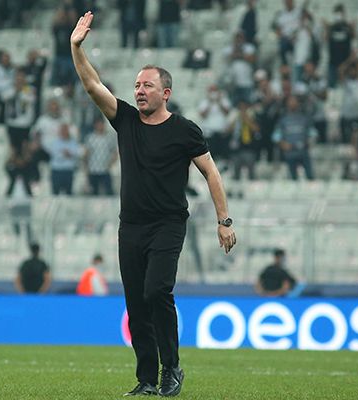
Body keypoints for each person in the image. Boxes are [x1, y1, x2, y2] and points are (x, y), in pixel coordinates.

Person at [71, 11, 236, 397]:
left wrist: (224, 220)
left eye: (147, 85)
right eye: (136, 85)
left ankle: (171, 368)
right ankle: (146, 379)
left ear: (166, 93)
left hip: (168, 224)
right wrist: (76, 48)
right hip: (130, 226)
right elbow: (92, 85)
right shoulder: (125, 120)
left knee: (156, 291)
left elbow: (211, 173)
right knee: (136, 305)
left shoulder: (185, 130)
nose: (139, 90)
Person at [273, 96, 316, 180]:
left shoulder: (304, 118)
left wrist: (309, 142)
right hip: (290, 154)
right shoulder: (283, 120)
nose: (292, 103)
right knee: (292, 180)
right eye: (290, 101)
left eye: (294, 101)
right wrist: (283, 144)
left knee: (310, 178)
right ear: (287, 104)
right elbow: (276, 136)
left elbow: (313, 133)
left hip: (303, 153)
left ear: (298, 103)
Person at [84, 118, 118, 195]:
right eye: (98, 124)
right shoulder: (90, 138)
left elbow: (114, 152)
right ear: (95, 125)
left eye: (101, 124)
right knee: (94, 192)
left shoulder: (109, 138)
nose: (100, 126)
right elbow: (86, 153)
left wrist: (111, 163)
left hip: (105, 169)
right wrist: (86, 166)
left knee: (109, 192)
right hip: (93, 169)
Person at [48, 123, 81, 195]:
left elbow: (76, 153)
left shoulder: (73, 142)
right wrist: (67, 154)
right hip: (57, 171)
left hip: (68, 170)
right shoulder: (55, 142)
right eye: (62, 130)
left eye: (65, 130)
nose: (64, 132)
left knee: (69, 193)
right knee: (55, 193)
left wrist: (66, 153)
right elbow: (55, 155)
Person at [326, 4, 354, 88]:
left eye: (340, 14)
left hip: (345, 63)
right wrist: (328, 28)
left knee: (346, 87)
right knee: (332, 88)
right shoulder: (331, 27)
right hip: (333, 63)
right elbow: (326, 38)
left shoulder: (347, 27)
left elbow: (353, 36)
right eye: (337, 14)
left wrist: (351, 27)